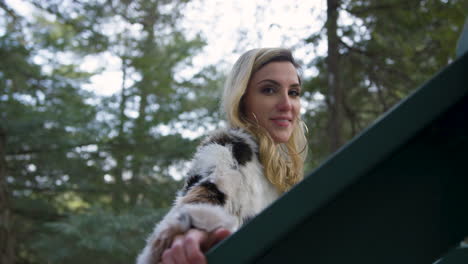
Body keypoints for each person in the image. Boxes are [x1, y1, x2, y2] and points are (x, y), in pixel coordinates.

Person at [136, 48, 308, 264]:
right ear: (242, 100)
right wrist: (191, 234)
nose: (286, 104)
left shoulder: (281, 173)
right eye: (269, 90)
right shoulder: (230, 150)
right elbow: (198, 209)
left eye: (293, 92)